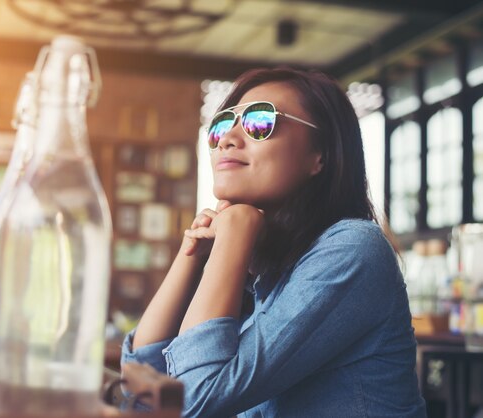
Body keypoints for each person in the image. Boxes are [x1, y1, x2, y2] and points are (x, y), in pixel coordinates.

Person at [120, 67, 427, 417]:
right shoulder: (265, 267)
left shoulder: (354, 249)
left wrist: (233, 237)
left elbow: (195, 400)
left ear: (320, 156)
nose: (227, 139)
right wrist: (190, 257)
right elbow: (141, 392)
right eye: (221, 124)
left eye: (260, 122)